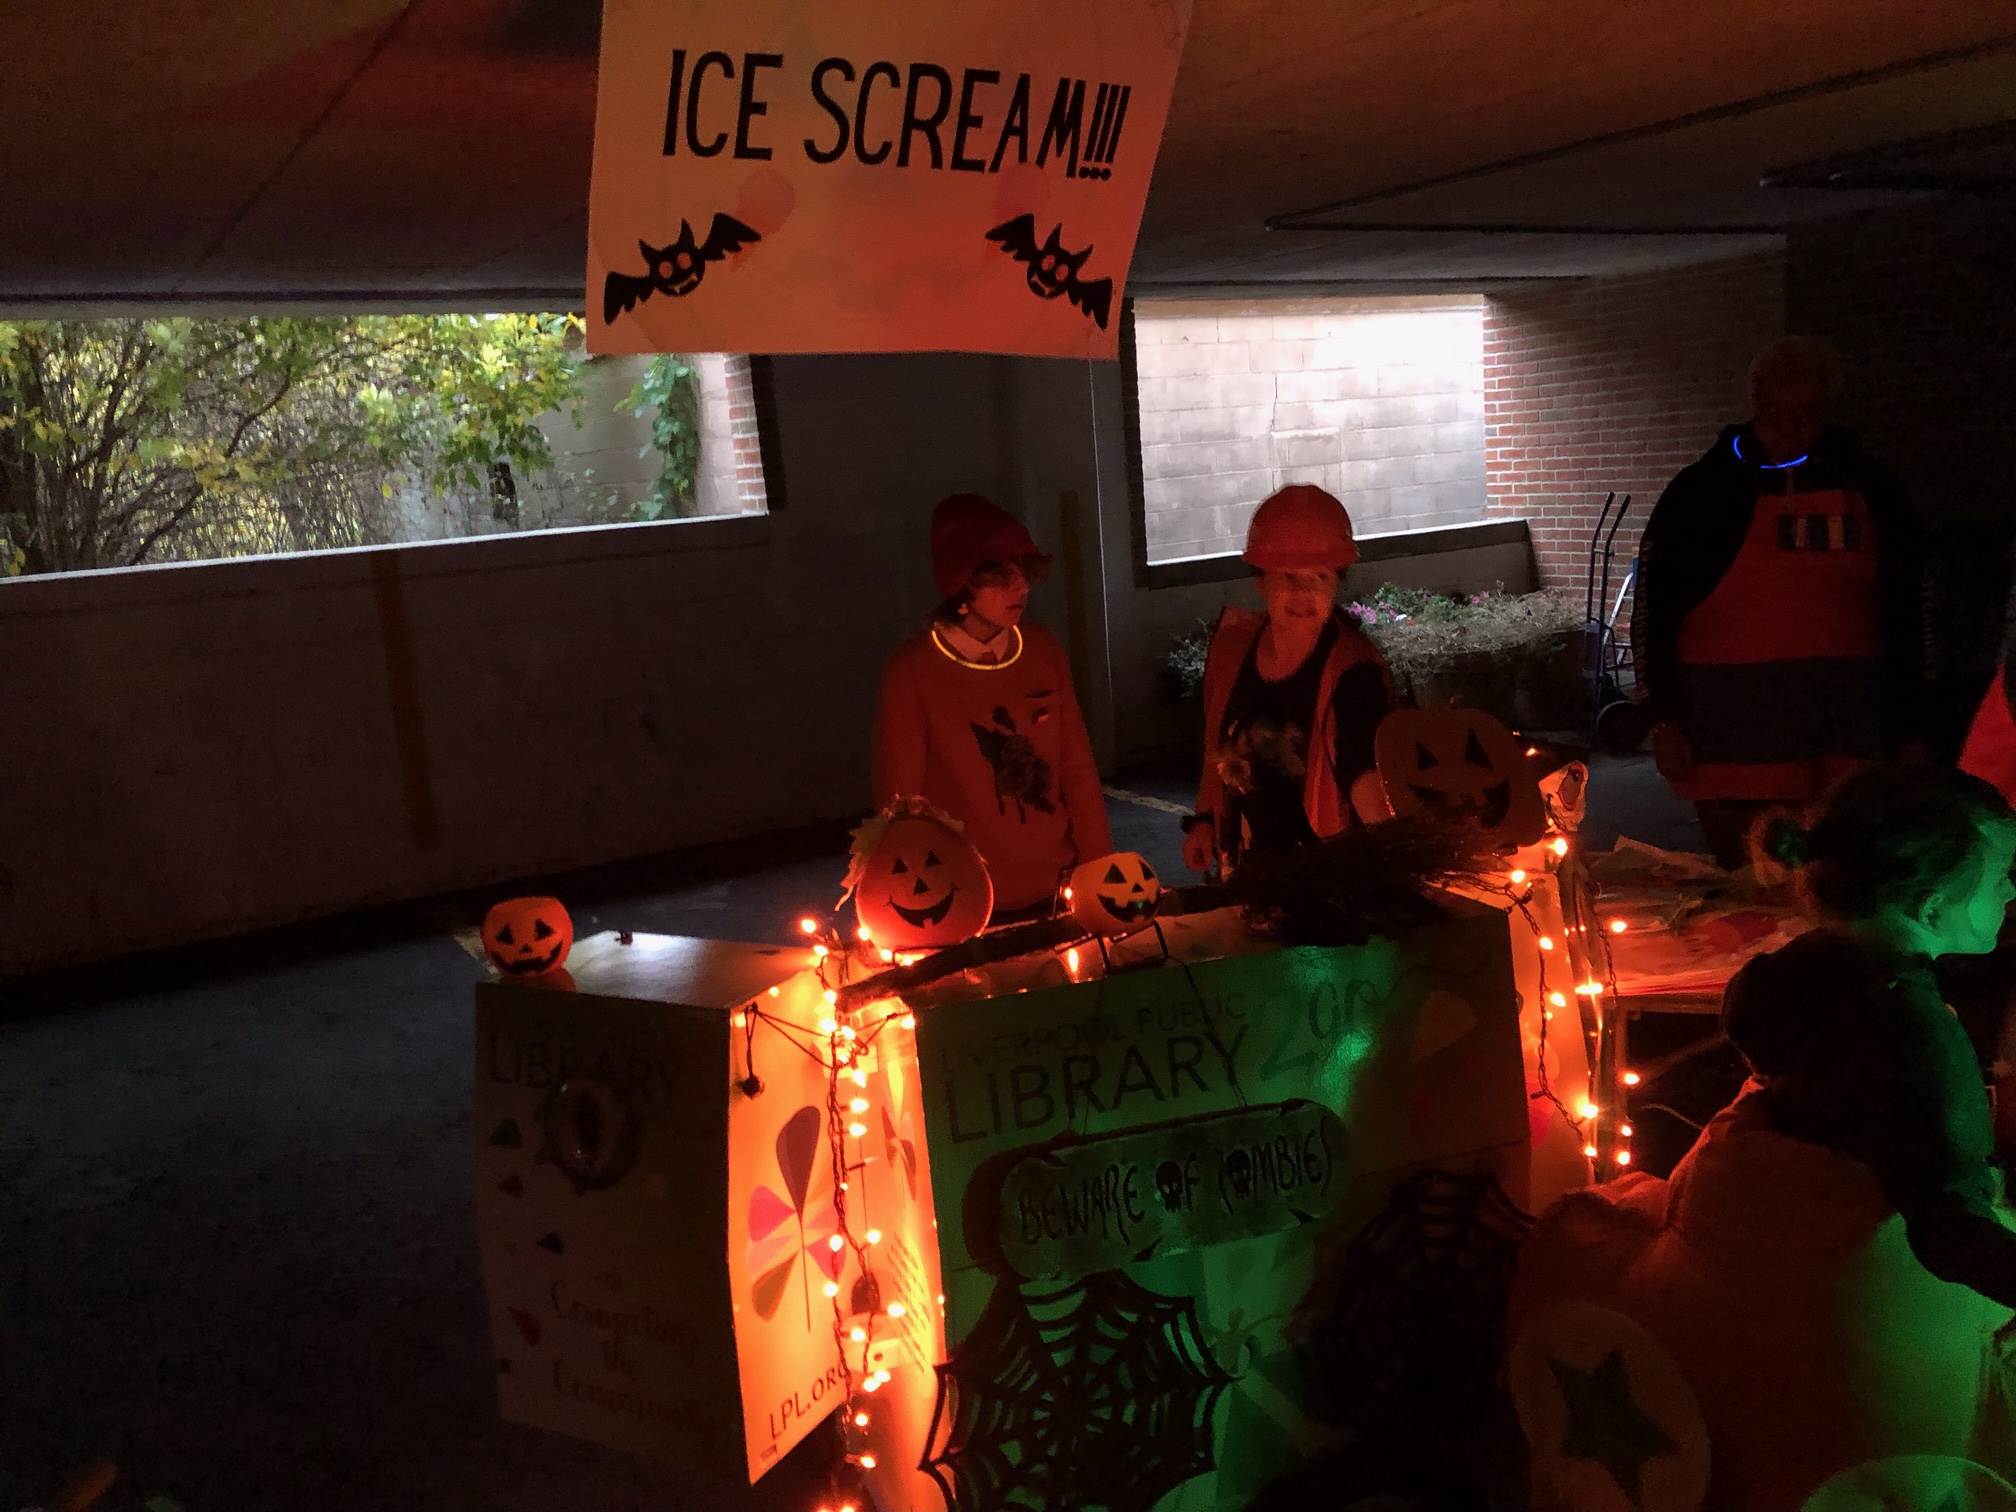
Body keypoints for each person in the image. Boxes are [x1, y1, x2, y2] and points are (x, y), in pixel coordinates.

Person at [1724, 764, 2016, 1305]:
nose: (2012, 891)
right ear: (1932, 906)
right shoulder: (1914, 1033)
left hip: (1770, 1252)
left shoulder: (1783, 973)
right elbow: (1952, 1232)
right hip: (1865, 1295)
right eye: (2002, 876)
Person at [1631, 335, 1923, 869]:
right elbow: (1654, 611)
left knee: (1843, 876)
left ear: (1826, 410)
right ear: (1753, 403)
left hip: (1848, 724)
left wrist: (1912, 726)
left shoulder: (1873, 489)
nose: (1786, 430)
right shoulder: (1702, 492)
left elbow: (1907, 611)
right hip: (1730, 729)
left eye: (1803, 416)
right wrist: (1662, 718)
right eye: (1772, 413)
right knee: (1746, 883)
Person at [872, 493, 1112, 921]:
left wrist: (1099, 865)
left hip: (1059, 884)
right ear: (964, 580)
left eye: (1024, 572)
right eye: (1002, 576)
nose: (1020, 587)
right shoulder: (914, 669)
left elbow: (1076, 765)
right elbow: (900, 802)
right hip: (965, 896)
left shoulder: (1041, 649)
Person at [1183, 484, 1397, 876]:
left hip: (1326, 878)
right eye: (1288, 577)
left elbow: (1364, 770)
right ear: (1260, 580)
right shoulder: (1233, 652)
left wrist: (1399, 857)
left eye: (1320, 576)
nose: (1303, 593)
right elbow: (1218, 747)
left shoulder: (1352, 670)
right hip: (1243, 872)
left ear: (1337, 581)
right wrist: (1204, 820)